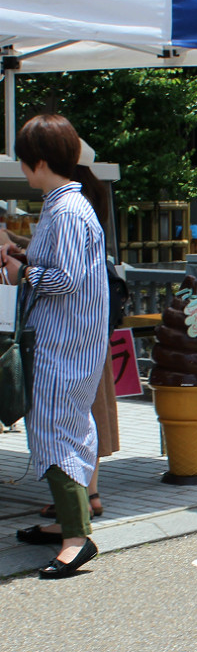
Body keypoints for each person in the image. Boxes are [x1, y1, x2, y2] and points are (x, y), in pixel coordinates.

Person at [2, 115, 108, 578]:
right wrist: (26, 255)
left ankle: (75, 537)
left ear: (39, 162)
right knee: (72, 429)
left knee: (53, 432)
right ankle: (69, 523)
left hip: (61, 342)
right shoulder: (72, 204)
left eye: (25, 163)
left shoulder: (63, 210)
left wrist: (22, 270)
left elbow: (61, 278)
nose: (22, 171)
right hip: (77, 342)